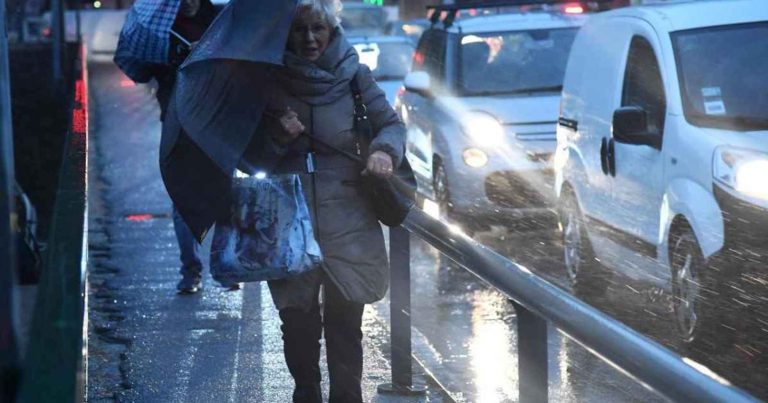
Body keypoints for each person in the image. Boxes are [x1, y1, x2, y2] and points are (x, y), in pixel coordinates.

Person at [239, 0, 405, 401]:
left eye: (318, 28)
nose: (309, 38)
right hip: (289, 223)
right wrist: (277, 138)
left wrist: (383, 151)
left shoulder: (354, 76)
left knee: (346, 323)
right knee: (297, 324)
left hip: (350, 221)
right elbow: (248, 159)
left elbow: (391, 125)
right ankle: (306, 393)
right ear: (285, 34)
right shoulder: (267, 84)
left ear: (332, 30)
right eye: (299, 30)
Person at [148, 0, 226, 294]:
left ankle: (225, 265)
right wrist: (178, 60)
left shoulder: (220, 21)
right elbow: (149, 72)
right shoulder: (160, 30)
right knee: (182, 199)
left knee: (224, 192)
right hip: (177, 122)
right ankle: (190, 270)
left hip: (217, 119)